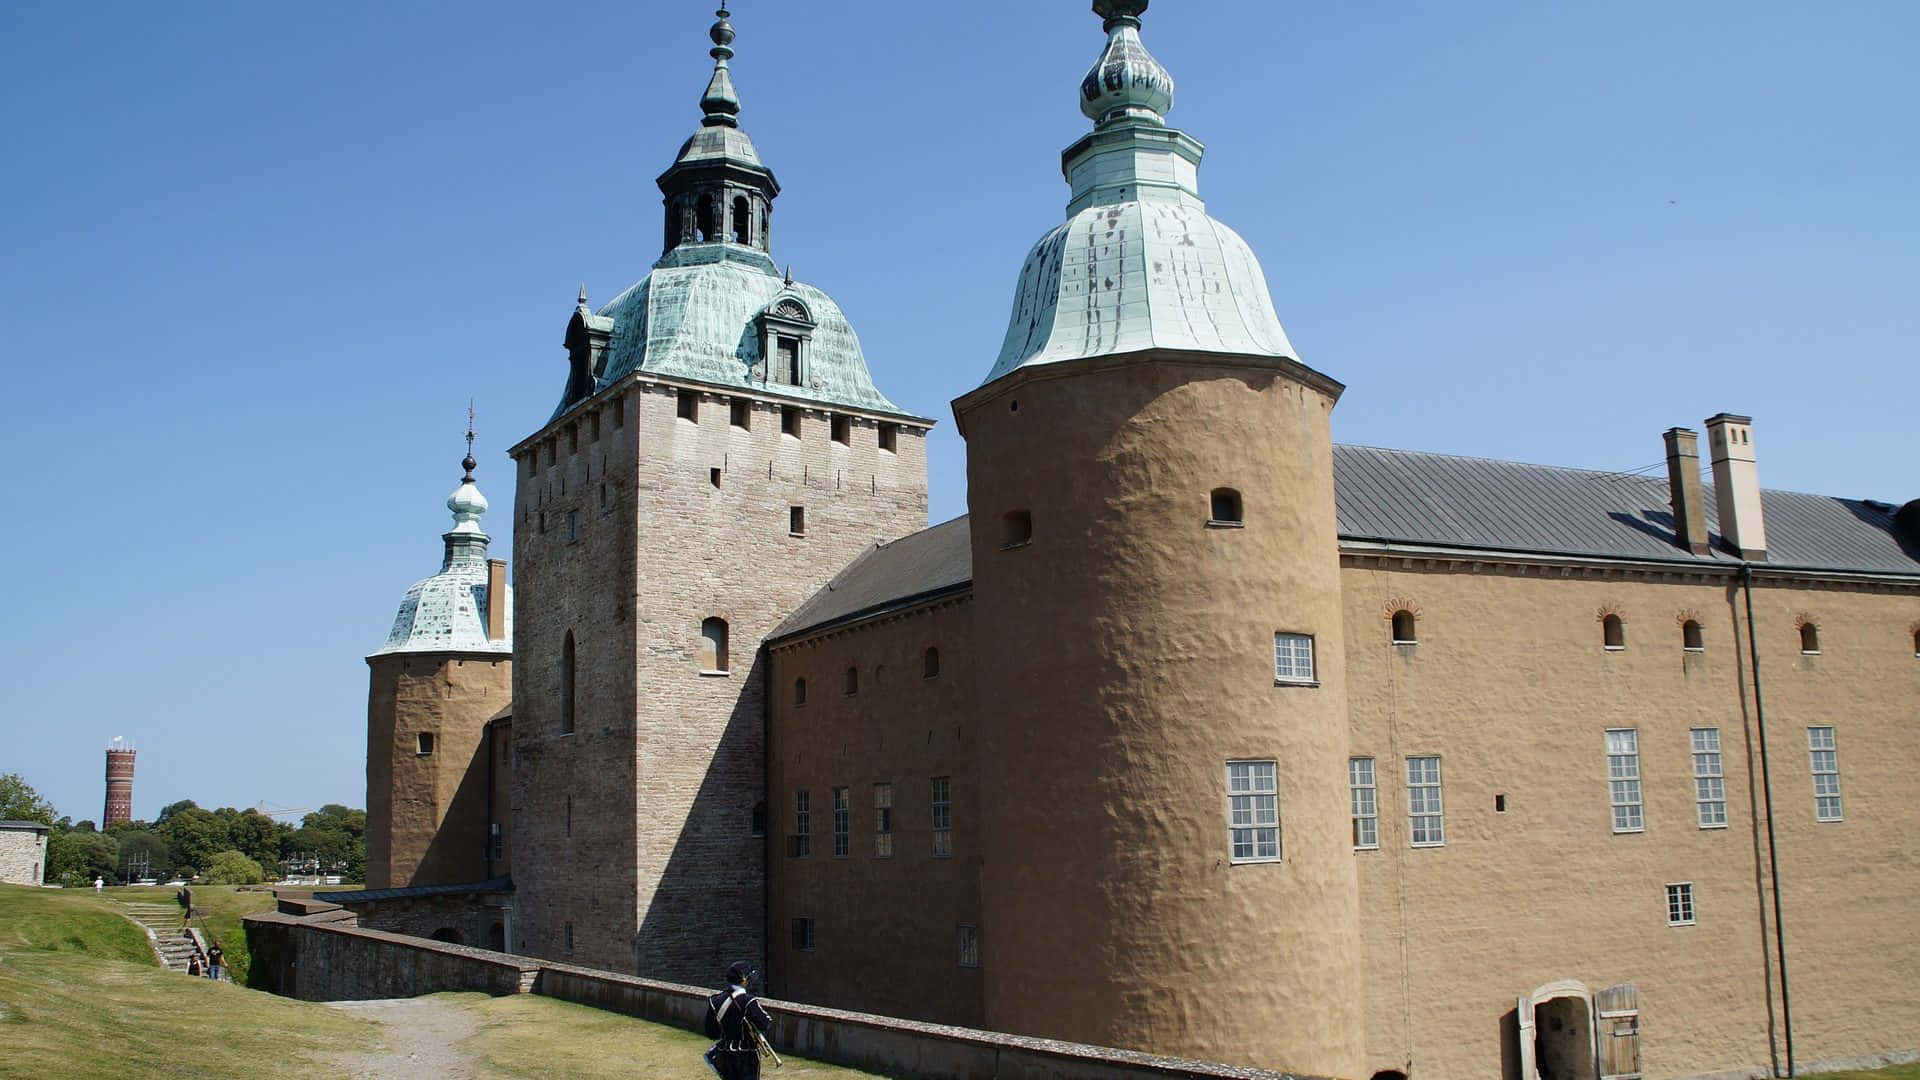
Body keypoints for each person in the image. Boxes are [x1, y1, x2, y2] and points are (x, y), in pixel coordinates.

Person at [703, 960, 773, 1079]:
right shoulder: (749, 1001)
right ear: (744, 979)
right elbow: (765, 1023)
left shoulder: (715, 1001)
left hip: (725, 1052)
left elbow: (711, 1032)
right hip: (747, 1054)